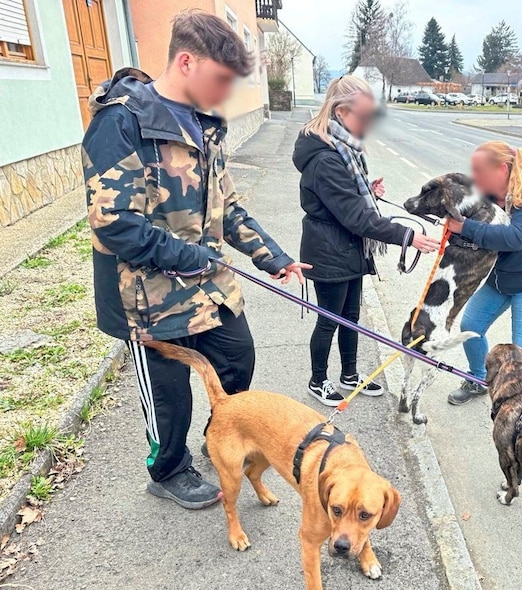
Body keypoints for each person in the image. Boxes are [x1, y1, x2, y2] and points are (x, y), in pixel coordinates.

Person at [82, 11, 310, 510]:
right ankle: (167, 470)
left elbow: (226, 206)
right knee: (170, 398)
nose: (227, 92)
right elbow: (114, 223)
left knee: (237, 357)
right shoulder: (121, 122)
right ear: (186, 62)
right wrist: (191, 255)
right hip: (145, 299)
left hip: (208, 287)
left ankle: (220, 433)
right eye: (222, 79)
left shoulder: (205, 125)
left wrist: (274, 258)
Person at [293, 76, 440, 407]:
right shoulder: (326, 158)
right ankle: (318, 380)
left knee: (351, 316)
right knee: (330, 320)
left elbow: (346, 199)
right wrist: (408, 236)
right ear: (342, 112)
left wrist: (367, 191)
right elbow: (356, 217)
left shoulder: (342, 148)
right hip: (329, 249)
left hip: (348, 248)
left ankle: (349, 374)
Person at [446, 141, 522, 405]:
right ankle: (479, 380)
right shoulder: (488, 195)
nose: (474, 177)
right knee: (471, 326)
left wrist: (464, 227)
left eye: (479, 171)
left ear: (501, 169)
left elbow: (516, 238)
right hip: (503, 278)